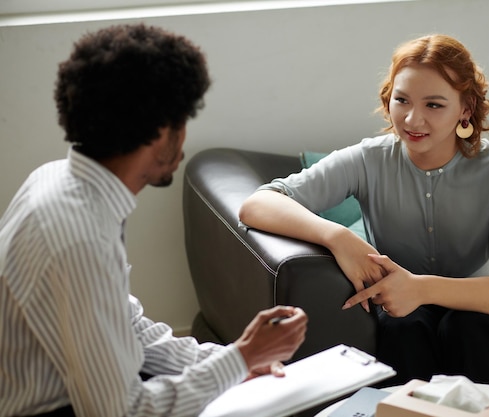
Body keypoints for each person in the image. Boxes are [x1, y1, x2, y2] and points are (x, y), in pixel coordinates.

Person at [0, 23, 307, 417]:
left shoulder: (59, 181)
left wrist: (232, 359)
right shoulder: (80, 236)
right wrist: (241, 360)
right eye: (182, 121)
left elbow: (126, 325)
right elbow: (120, 411)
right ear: (161, 131)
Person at [239, 34, 489, 388]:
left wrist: (421, 289)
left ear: (466, 109)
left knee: (464, 329)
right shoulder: (368, 160)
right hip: (404, 309)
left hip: (486, 311)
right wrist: (337, 237)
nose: (413, 119)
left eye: (434, 105)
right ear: (388, 99)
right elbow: (258, 204)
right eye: (402, 100)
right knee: (403, 328)